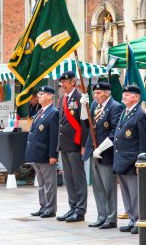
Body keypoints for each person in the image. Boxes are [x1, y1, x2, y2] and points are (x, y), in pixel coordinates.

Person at [80, 82, 123, 229]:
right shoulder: (93, 106)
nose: (95, 96)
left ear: (107, 93)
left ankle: (111, 218)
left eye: (98, 93)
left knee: (108, 187)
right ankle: (101, 216)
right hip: (94, 151)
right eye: (94, 93)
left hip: (106, 153)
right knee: (97, 187)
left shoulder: (115, 107)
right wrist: (83, 108)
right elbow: (87, 125)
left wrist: (102, 148)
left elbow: (114, 132)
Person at [113, 85, 146, 235]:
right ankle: (131, 219)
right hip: (122, 159)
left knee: (136, 193)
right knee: (126, 193)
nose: (124, 97)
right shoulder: (125, 111)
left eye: (128, 95)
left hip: (132, 160)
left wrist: (142, 161)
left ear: (136, 97)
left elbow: (145, 140)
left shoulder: (141, 113)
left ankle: (139, 219)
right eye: (124, 94)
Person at [57, 71, 88, 223]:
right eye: (62, 82)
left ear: (73, 82)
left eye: (65, 82)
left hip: (75, 145)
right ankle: (72, 207)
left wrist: (83, 145)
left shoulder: (80, 98)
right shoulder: (62, 98)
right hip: (65, 144)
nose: (62, 85)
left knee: (79, 178)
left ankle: (80, 210)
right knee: (68, 179)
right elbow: (60, 123)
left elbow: (84, 124)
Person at [25, 86, 59, 218]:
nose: (39, 96)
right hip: (36, 152)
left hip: (45, 153)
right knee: (41, 183)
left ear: (50, 96)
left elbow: (54, 136)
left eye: (42, 94)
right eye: (38, 94)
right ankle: (43, 206)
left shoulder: (53, 112)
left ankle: (50, 209)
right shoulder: (41, 111)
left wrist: (53, 154)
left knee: (49, 183)